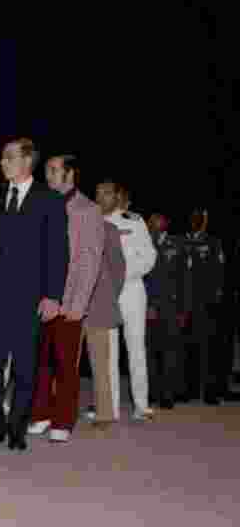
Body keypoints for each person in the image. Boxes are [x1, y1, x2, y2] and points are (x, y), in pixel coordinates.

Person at [0, 138, 68, 452]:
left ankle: (17, 428)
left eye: (8, 158)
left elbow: (58, 252)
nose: (2, 163)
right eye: (2, 158)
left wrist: (53, 296)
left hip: (31, 300)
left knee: (25, 368)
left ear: (26, 161)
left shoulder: (49, 200)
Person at [27, 155, 104, 443]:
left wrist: (79, 304)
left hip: (70, 300)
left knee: (64, 364)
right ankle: (42, 413)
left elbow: (90, 260)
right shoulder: (42, 201)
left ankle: (64, 419)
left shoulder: (88, 210)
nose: (48, 174)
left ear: (71, 174)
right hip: (40, 297)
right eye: (46, 169)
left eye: (54, 170)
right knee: (40, 360)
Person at [96, 181, 156, 421]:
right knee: (108, 351)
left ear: (117, 196)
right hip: (104, 294)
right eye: (98, 193)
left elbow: (149, 256)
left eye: (107, 193)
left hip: (131, 290)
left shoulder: (134, 220)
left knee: (136, 348)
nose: (101, 197)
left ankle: (141, 405)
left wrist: (124, 274)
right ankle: (110, 407)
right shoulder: (92, 221)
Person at [83, 221, 127, 428]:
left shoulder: (108, 229)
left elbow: (119, 268)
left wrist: (107, 296)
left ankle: (104, 413)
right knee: (61, 362)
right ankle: (59, 412)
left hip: (97, 304)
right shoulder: (61, 222)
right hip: (68, 303)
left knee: (100, 361)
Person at [180, 209, 227, 404]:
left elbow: (220, 270)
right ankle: (188, 390)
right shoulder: (181, 241)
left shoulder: (213, 242)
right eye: (192, 218)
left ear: (204, 222)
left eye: (199, 218)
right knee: (187, 349)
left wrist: (216, 294)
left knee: (208, 350)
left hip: (206, 304)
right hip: (185, 303)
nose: (195, 221)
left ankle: (210, 392)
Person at [144, 212, 186, 409]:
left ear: (166, 223)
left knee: (170, 351)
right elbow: (141, 276)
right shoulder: (143, 243)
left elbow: (184, 279)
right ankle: (151, 392)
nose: (155, 223)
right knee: (150, 352)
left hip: (170, 306)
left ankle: (167, 394)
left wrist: (182, 309)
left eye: (159, 220)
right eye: (152, 221)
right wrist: (147, 304)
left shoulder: (177, 244)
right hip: (148, 307)